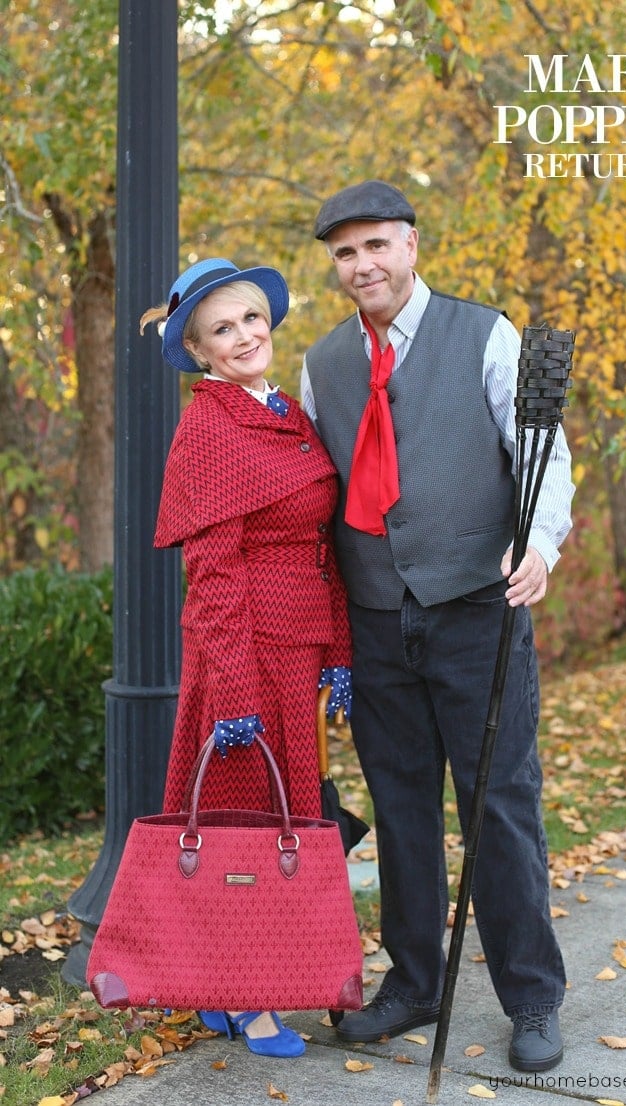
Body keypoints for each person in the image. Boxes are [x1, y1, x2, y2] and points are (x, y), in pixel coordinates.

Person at [301, 181, 575, 1073]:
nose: (362, 265)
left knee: (498, 802)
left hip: (476, 610)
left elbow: (541, 451)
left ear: (411, 245)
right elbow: (313, 495)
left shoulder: (484, 334)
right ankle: (414, 983)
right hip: (377, 621)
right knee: (402, 809)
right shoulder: (322, 366)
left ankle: (531, 993)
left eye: (376, 245)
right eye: (345, 253)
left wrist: (537, 544)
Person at [141, 258, 352, 1059]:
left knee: (286, 821)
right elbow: (216, 575)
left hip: (299, 652)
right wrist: (233, 694)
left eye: (251, 319)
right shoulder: (209, 428)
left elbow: (321, 548)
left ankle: (227, 990)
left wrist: (340, 650)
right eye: (221, 329)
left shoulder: (291, 414)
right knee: (243, 832)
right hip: (243, 655)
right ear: (197, 350)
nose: (243, 336)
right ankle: (247, 996)